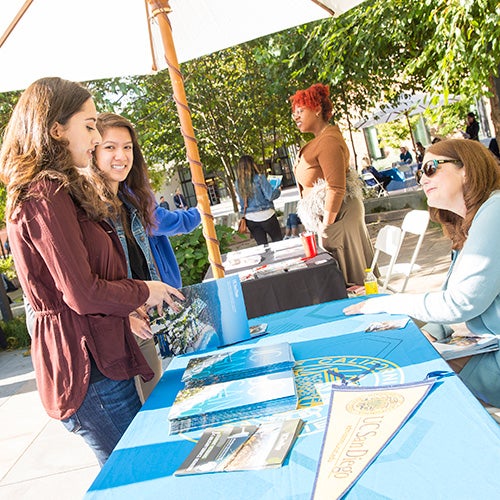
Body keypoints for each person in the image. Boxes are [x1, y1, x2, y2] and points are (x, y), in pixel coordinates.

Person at [0, 77, 182, 466]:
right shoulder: (44, 194)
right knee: (141, 480)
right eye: (89, 126)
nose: (96, 138)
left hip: (102, 365)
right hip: (90, 374)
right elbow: (81, 293)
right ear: (55, 130)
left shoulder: (55, 191)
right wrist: (143, 290)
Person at [344, 139, 500, 407]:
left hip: (492, 357)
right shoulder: (473, 221)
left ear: (466, 169)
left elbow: (461, 303)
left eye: (431, 168)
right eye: (419, 173)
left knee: (402, 384)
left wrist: (386, 302)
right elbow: (456, 296)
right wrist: (434, 330)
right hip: (487, 347)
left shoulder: (495, 211)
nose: (422, 179)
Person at [94, 113, 201, 399]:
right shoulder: (88, 210)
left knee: (163, 398)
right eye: (110, 147)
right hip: (118, 331)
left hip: (144, 317)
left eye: (127, 147)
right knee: (146, 411)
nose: (121, 155)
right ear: (91, 149)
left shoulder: (130, 199)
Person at [290, 83, 375, 286]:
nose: (296, 117)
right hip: (336, 218)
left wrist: (327, 227)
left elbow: (336, 187)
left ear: (317, 109)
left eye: (300, 111)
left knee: (353, 283)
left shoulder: (328, 141)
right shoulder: (322, 139)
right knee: (347, 283)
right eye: (294, 113)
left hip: (339, 219)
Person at [235, 155, 282, 245]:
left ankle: (267, 259)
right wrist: (278, 191)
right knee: (278, 242)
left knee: (262, 246)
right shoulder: (260, 178)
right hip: (266, 214)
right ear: (253, 165)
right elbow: (270, 196)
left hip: (250, 218)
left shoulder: (237, 183)